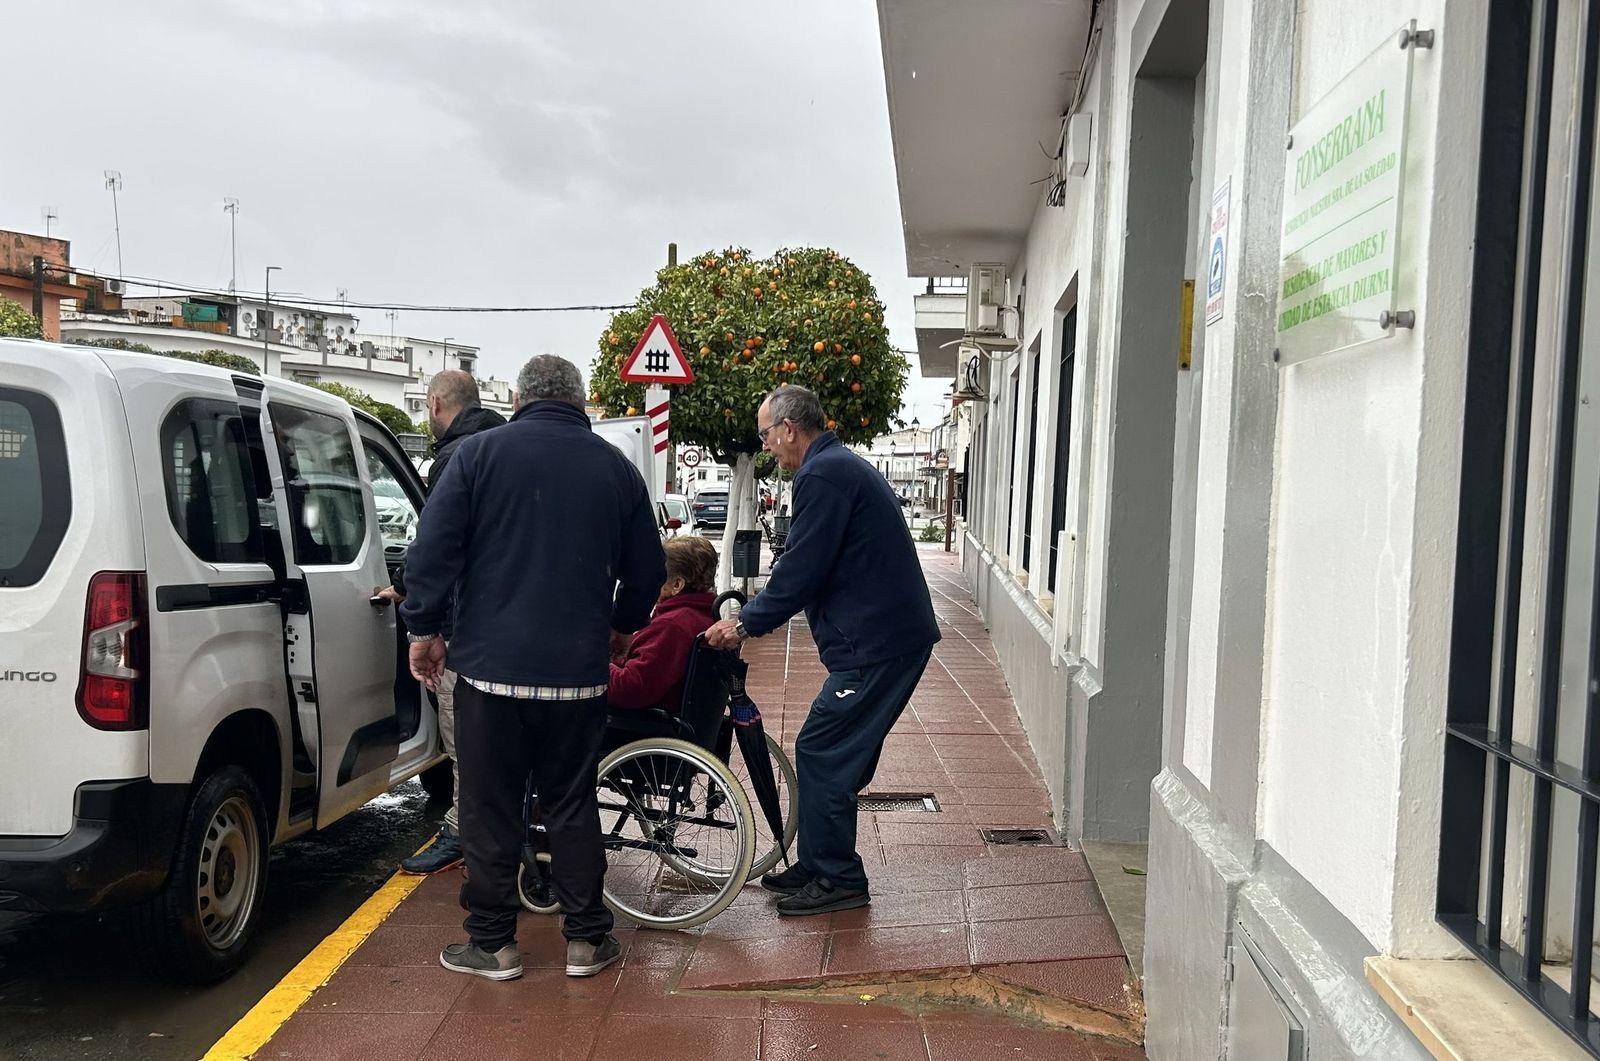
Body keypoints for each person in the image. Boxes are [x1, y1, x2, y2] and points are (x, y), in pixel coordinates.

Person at [400, 355, 665, 981]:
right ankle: (587, 940)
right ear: (580, 402)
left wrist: (424, 629)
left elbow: (431, 552)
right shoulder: (616, 469)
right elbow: (649, 569)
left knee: (488, 806)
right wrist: (621, 627)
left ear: (518, 399)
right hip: (578, 676)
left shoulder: (476, 457)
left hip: (488, 675)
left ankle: (493, 945)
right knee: (571, 802)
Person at [707, 385, 940, 916]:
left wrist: (744, 624)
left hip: (878, 644)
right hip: (885, 639)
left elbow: (801, 569)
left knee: (823, 750)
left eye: (766, 435)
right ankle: (817, 863)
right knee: (829, 752)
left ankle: (838, 877)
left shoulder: (823, 475)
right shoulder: (834, 467)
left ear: (789, 429)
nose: (766, 447)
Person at [382, 369, 506, 876]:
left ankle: (461, 833)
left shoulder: (455, 457)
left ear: (435, 404)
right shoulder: (503, 446)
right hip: (506, 623)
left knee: (463, 740)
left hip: (462, 627)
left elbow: (437, 544)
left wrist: (407, 592)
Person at [607, 536, 720, 716]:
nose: (650, 581)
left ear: (677, 584)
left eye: (657, 576)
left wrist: (593, 663)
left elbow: (629, 689)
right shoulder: (704, 616)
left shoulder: (672, 626)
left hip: (643, 722)